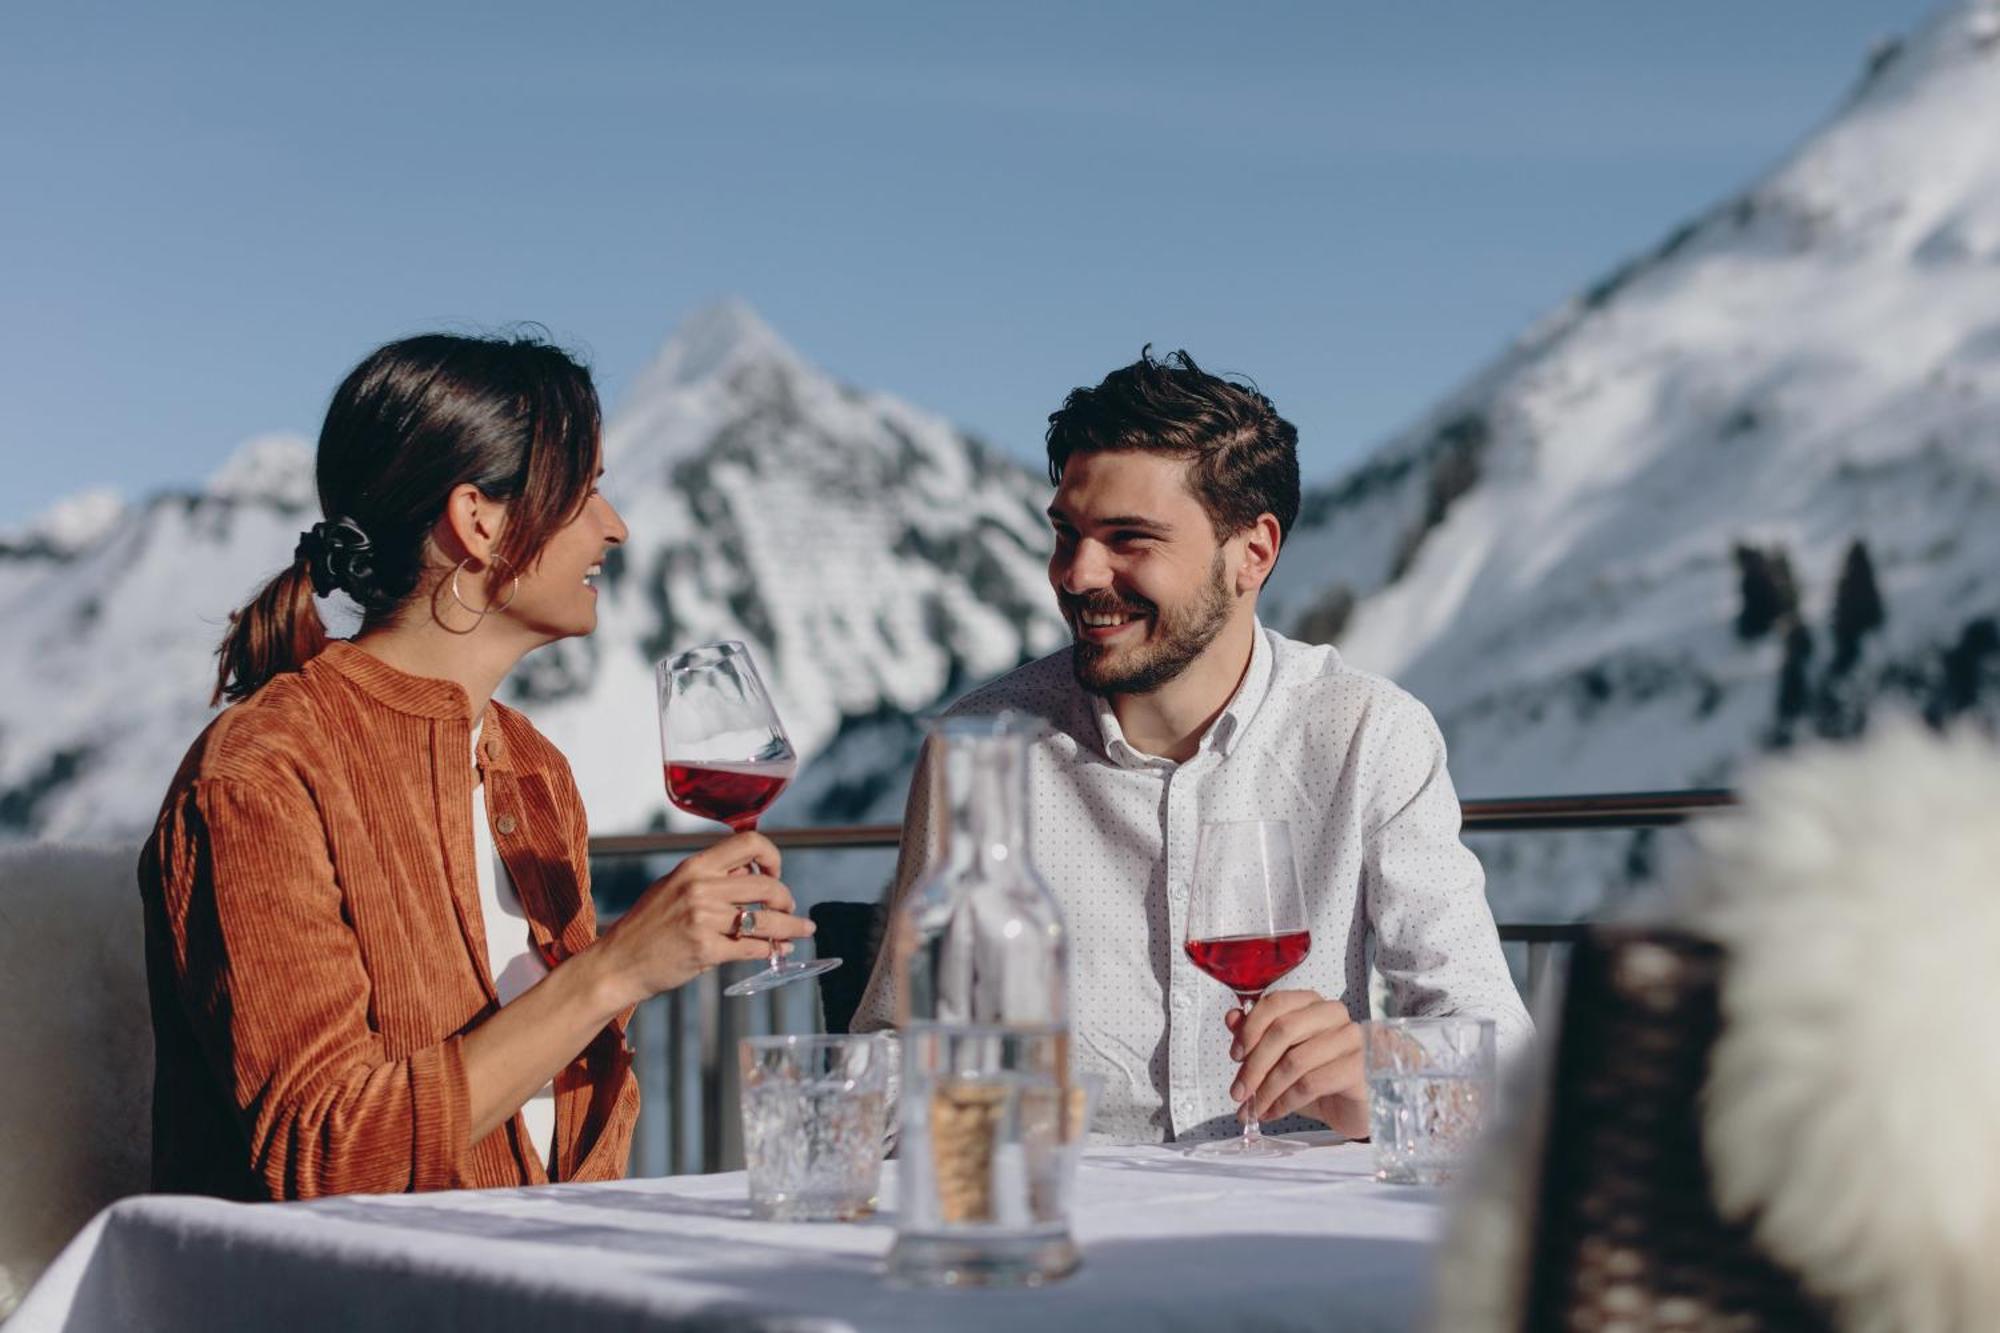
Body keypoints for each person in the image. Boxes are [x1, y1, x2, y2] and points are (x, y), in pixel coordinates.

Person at [138, 333, 814, 1200]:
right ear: (480, 520)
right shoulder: (261, 773)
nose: (614, 526)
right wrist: (614, 971)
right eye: (587, 491)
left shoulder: (532, 770)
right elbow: (325, 1156)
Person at [854, 349, 1531, 1144]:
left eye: (1127, 538)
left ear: (1253, 553)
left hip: (1289, 1236)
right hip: (1060, 1222)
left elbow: (1499, 1052)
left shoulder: (1368, 733)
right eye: (1067, 534)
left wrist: (1379, 1073)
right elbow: (892, 1056)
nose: (1078, 573)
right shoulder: (985, 749)